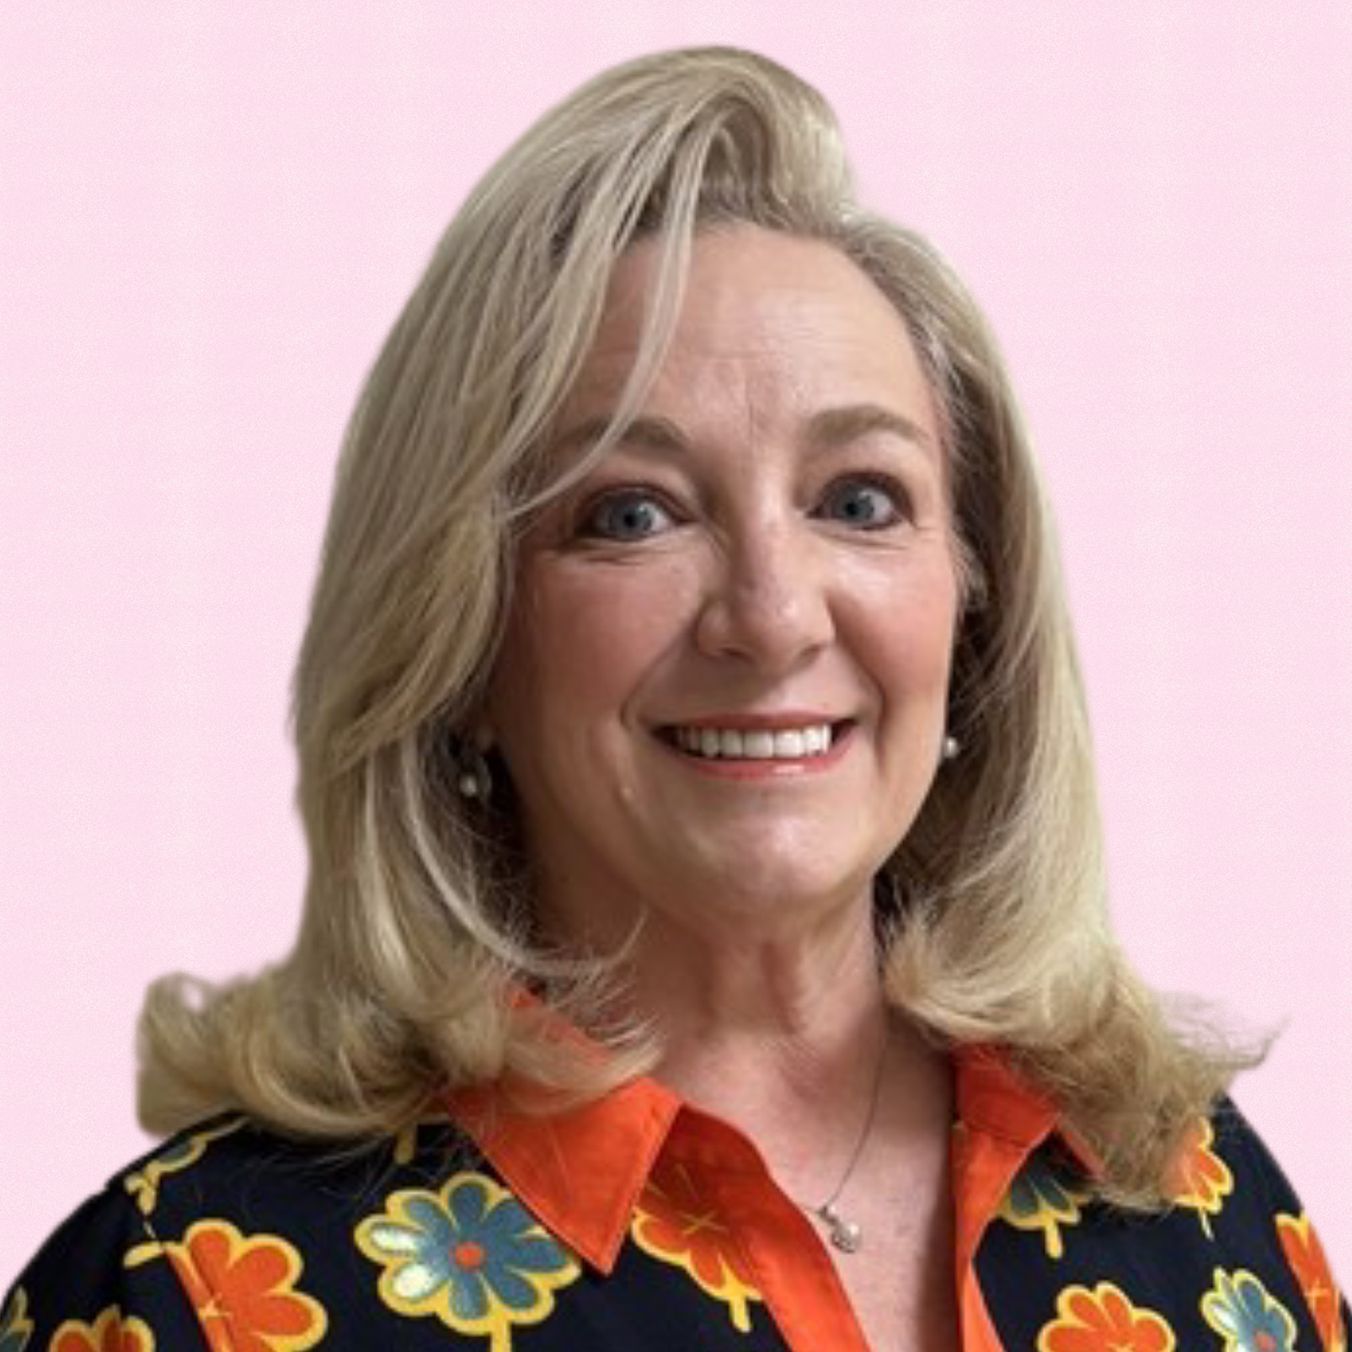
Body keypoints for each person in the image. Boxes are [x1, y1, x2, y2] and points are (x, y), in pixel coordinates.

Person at [3, 45, 1344, 1352]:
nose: (770, 615)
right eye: (630, 512)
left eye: (858, 501)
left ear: (972, 603)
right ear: (459, 642)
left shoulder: (1193, 1203)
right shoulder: (187, 1302)